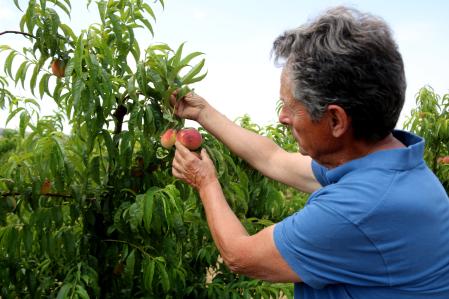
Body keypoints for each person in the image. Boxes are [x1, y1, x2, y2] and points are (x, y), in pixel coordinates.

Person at [170, 6, 449, 299]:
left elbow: (240, 256)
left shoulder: (360, 208)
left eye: (291, 106)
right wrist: (203, 112)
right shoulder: (388, 169)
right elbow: (273, 159)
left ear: (336, 120)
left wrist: (206, 181)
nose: (283, 118)